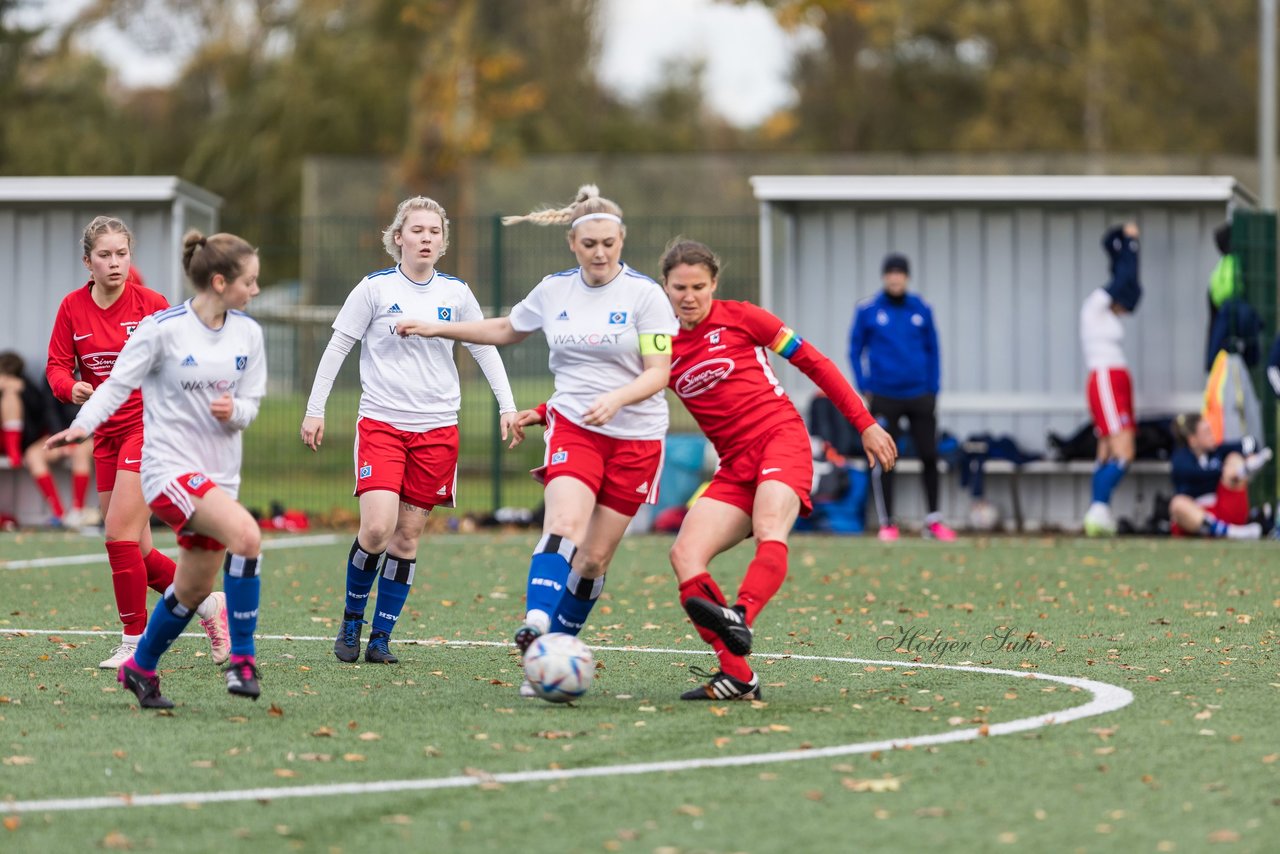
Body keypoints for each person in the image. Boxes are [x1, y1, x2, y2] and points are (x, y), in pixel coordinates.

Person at [395, 185, 676, 697]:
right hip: (574, 427)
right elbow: (506, 327)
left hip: (636, 438)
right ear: (572, 242)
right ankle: (537, 626)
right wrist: (441, 329)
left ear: (622, 241)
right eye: (589, 243)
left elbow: (659, 371)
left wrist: (618, 398)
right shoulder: (555, 290)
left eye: (609, 243)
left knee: (593, 560)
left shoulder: (646, 296)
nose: (599, 253)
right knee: (564, 523)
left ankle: (554, 655)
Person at [659, 239, 897, 700]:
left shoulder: (744, 316)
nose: (689, 296)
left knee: (771, 526)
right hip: (733, 467)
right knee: (684, 555)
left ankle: (741, 617)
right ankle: (738, 676)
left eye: (699, 286)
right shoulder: (659, 344)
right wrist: (551, 413)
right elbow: (619, 393)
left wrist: (865, 424)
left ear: (715, 285)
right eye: (679, 287)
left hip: (780, 442)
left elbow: (816, 363)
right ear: (664, 288)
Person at [46, 230, 267, 709]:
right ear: (220, 281)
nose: (255, 290)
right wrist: (80, 425)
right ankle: (243, 662)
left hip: (216, 476)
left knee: (190, 590)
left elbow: (251, 405)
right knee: (246, 537)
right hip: (165, 465)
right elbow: (112, 385)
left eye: (122, 253)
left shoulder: (250, 334)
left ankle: (140, 667)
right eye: (249, 281)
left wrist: (236, 412)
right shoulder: (164, 327)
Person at [301, 196, 520, 666]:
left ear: (443, 242)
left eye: (434, 232)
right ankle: (352, 620)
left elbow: (485, 348)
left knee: (406, 538)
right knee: (377, 528)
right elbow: (338, 346)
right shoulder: (374, 289)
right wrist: (314, 409)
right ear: (398, 237)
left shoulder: (456, 293)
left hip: (437, 428)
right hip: (381, 422)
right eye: (416, 230)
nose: (425, 238)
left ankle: (381, 637)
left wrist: (508, 406)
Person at [848, 252, 955, 541]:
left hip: (920, 395)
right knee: (885, 458)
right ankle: (887, 523)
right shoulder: (868, 310)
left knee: (930, 455)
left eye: (900, 272)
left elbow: (934, 351)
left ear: (907, 277)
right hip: (884, 396)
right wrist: (865, 386)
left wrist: (933, 389)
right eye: (891, 272)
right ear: (885, 277)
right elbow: (855, 350)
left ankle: (933, 521)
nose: (895, 277)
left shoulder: (922, 308)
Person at [1079, 223, 1142, 536]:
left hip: (1118, 378)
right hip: (1105, 378)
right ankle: (1097, 509)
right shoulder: (1096, 304)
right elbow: (1123, 279)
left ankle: (1098, 511)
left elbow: (1131, 284)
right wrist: (1128, 242)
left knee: (1105, 451)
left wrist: (1130, 249)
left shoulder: (1111, 313)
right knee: (1123, 451)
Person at [0, 351, 87, 525]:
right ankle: (59, 514)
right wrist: (61, 436)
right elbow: (49, 409)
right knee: (34, 455)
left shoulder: (96, 373)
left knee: (81, 453)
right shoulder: (53, 374)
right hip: (61, 434)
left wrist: (75, 435)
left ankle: (78, 512)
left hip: (87, 434)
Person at [1168, 413, 1271, 539]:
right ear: (1193, 440)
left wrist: (1248, 458)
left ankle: (1243, 470)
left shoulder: (1218, 451)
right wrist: (1222, 471)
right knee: (1177, 504)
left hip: (1222, 509)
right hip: (1196, 519)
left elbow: (1251, 443)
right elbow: (1195, 474)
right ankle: (1232, 533)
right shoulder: (1180, 458)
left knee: (1234, 458)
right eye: (1206, 433)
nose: (1212, 436)